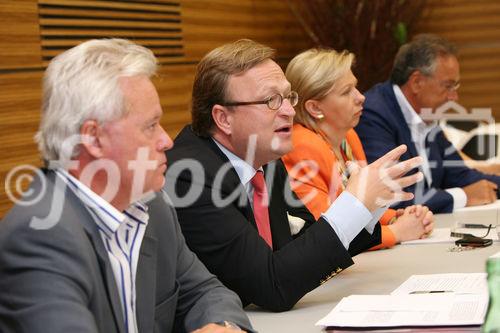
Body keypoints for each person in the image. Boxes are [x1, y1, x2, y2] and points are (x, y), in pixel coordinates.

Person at [0, 39, 252, 333]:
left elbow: (206, 292)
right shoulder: (39, 234)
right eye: (150, 126)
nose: (166, 141)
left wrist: (221, 326)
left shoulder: (151, 204)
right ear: (93, 139)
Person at [165, 39, 423, 311]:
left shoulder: (265, 157)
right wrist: (354, 204)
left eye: (288, 97)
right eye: (271, 100)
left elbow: (303, 243)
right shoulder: (188, 176)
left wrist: (366, 208)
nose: (288, 111)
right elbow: (271, 286)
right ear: (223, 118)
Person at [282, 48, 434, 249]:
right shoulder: (301, 146)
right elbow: (328, 229)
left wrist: (395, 217)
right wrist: (396, 232)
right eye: (346, 92)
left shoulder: (348, 136)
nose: (361, 97)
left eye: (356, 87)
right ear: (315, 108)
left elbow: (361, 201)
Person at [356, 34, 500, 213]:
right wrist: (462, 196)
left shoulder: (427, 115)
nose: (454, 97)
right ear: (416, 82)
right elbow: (392, 195)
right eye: (448, 86)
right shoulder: (374, 115)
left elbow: (460, 174)